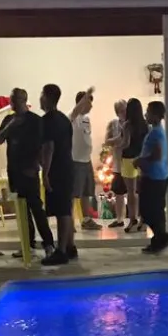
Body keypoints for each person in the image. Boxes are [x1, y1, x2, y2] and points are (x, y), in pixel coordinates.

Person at [0, 88, 56, 259]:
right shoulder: (8, 119)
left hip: (29, 170)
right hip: (13, 171)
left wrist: (39, 167)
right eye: (11, 99)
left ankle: (49, 244)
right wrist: (9, 127)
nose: (13, 103)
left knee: (36, 208)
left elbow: (44, 145)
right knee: (22, 211)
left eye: (16, 99)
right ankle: (28, 245)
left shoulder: (35, 120)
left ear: (24, 100)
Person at [39, 83, 77, 266]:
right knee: (66, 208)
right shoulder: (64, 120)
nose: (40, 98)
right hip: (68, 166)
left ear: (47, 97)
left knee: (61, 210)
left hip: (57, 169)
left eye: (42, 95)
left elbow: (49, 147)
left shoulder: (48, 121)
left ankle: (61, 251)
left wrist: (45, 173)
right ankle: (70, 246)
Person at [137, 100, 168, 254]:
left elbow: (157, 154)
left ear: (156, 115)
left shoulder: (156, 132)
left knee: (148, 210)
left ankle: (162, 237)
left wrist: (141, 161)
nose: (146, 115)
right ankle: (158, 240)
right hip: (158, 175)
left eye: (148, 112)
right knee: (156, 210)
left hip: (154, 176)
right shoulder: (156, 131)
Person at [70, 88, 100, 230]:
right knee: (73, 193)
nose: (91, 106)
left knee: (87, 192)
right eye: (89, 102)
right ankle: (69, 222)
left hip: (86, 160)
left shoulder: (87, 119)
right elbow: (75, 111)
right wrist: (86, 95)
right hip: (76, 161)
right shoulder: (73, 117)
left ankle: (86, 220)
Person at [121, 97, 148, 232]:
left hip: (128, 159)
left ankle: (132, 219)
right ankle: (143, 221)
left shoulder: (127, 125)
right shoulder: (145, 125)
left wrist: (116, 146)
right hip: (142, 159)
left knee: (131, 192)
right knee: (141, 191)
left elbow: (126, 143)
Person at [105, 98, 128, 227]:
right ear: (117, 112)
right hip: (118, 163)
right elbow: (107, 141)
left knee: (134, 192)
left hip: (131, 162)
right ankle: (119, 219)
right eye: (121, 111)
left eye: (125, 110)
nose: (124, 113)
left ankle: (135, 218)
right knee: (119, 192)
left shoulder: (132, 123)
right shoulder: (113, 124)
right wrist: (118, 139)